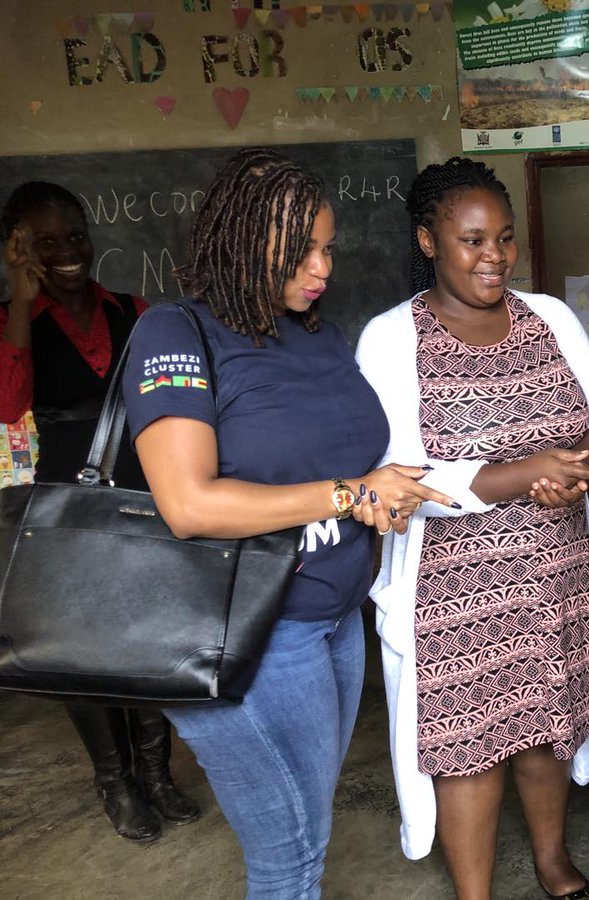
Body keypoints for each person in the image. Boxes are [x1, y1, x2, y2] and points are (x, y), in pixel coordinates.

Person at [119, 148, 456, 898]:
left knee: (310, 829)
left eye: (328, 248)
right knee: (291, 854)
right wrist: (348, 492)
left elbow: (340, 472)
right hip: (246, 633)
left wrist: (378, 497)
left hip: (334, 622)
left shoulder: (319, 337)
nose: (321, 268)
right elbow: (190, 505)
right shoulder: (177, 335)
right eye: (299, 250)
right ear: (241, 241)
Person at [355, 157, 589, 900]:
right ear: (428, 241)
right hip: (455, 585)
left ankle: (550, 859)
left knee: (546, 723)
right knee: (469, 744)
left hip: (558, 567)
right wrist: (522, 472)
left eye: (504, 239)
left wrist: (572, 468)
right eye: (473, 240)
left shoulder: (551, 318)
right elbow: (402, 476)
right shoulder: (391, 338)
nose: (495, 257)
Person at [0, 181, 200, 843]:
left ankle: (156, 771)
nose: (66, 252)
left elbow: (170, 398)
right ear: (18, 251)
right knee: (79, 652)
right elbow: (8, 405)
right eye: (44, 242)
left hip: (144, 494)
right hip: (66, 506)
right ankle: (114, 780)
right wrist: (23, 307)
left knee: (145, 644)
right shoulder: (11, 322)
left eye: (74, 235)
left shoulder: (134, 311)